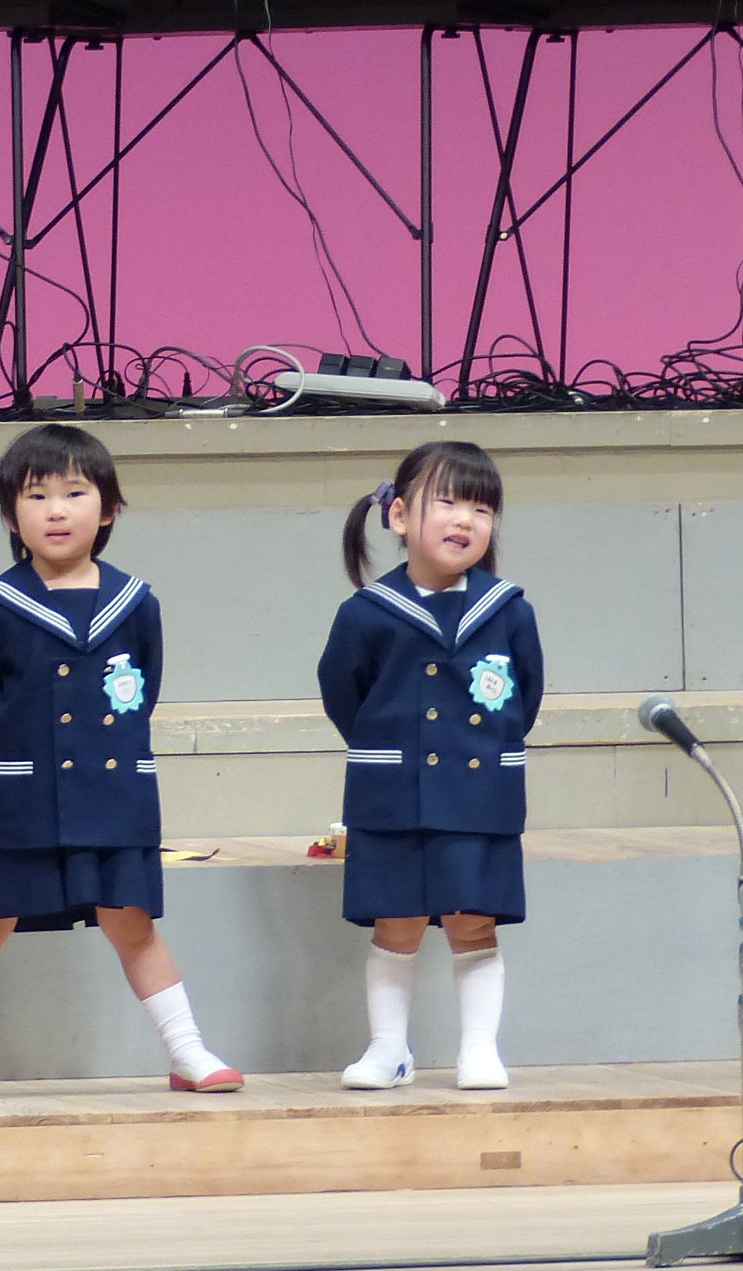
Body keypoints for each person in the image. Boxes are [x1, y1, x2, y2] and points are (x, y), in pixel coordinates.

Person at [0, 423, 239, 1099]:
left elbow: (141, 696)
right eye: (36, 496)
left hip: (114, 799)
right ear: (10, 517)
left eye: (75, 493)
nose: (56, 510)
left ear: (108, 510)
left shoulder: (136, 604)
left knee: (131, 922)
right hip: (22, 800)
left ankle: (188, 1051)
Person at [318, 441, 541, 1092]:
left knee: (473, 920)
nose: (465, 519)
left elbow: (524, 698)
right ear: (398, 516)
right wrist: (397, 753)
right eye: (447, 501)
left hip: (478, 796)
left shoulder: (508, 610)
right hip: (393, 796)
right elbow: (344, 696)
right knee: (397, 921)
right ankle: (389, 1049)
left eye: (482, 508)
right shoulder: (366, 613)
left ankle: (479, 1049)